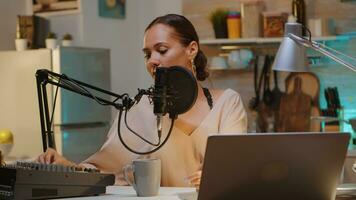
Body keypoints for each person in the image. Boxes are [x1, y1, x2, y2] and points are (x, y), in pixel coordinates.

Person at [37, 14, 247, 188]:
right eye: (148, 54)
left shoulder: (227, 103)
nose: (153, 61)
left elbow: (235, 168)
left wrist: (218, 176)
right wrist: (67, 167)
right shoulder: (138, 110)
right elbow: (106, 170)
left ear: (191, 49)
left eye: (162, 50)